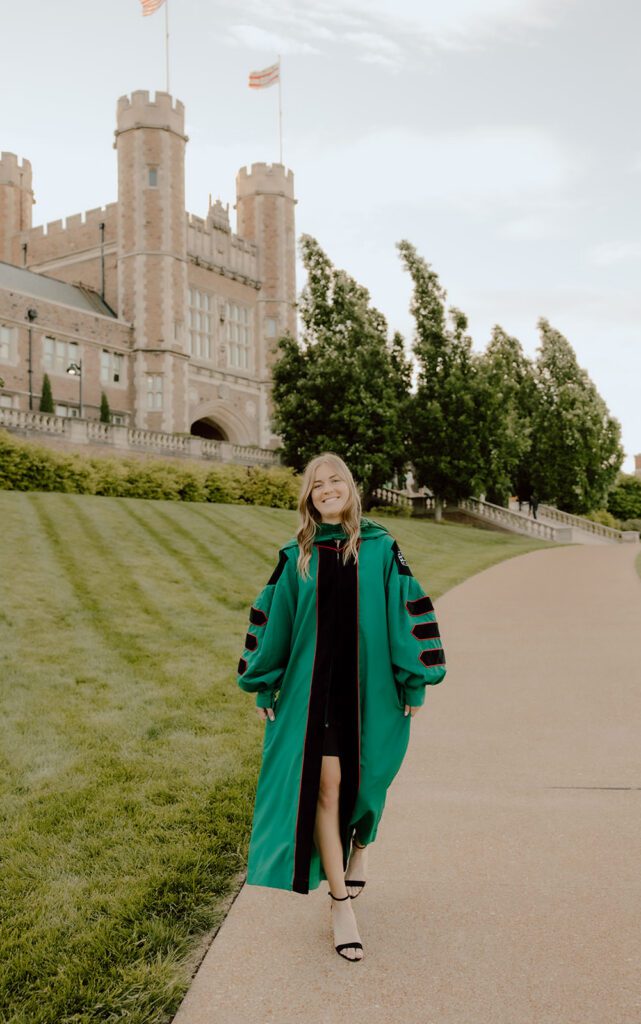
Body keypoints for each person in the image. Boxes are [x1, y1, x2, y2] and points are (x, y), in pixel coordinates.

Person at [237, 452, 447, 962]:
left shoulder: (379, 548)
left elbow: (407, 609)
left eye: (335, 480)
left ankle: (362, 843)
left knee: (370, 780)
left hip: (368, 690)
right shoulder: (296, 555)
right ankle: (339, 905)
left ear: (350, 487)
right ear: (308, 497)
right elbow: (275, 620)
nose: (327, 489)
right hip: (312, 696)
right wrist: (264, 684)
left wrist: (414, 680)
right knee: (324, 788)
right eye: (316, 484)